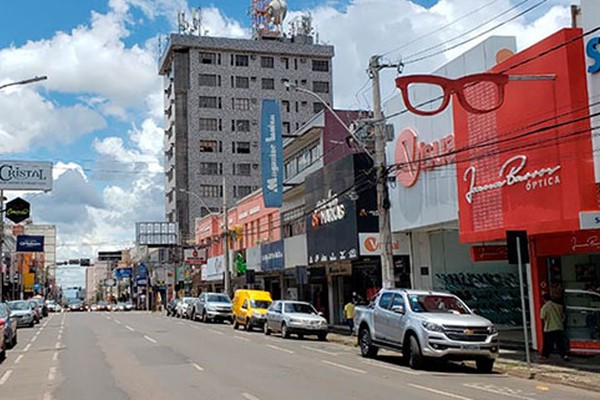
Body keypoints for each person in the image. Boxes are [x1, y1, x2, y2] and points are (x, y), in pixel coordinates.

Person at [540, 293, 568, 361]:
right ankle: (564, 355)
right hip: (559, 326)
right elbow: (563, 316)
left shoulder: (545, 307)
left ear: (544, 299)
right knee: (560, 343)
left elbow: (542, 317)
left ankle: (545, 355)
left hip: (549, 327)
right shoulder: (559, 306)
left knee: (547, 343)